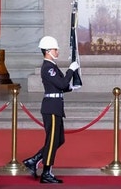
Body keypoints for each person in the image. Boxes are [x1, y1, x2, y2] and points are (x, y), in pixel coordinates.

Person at [23, 35, 80, 184]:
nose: (58, 51)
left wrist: (71, 87)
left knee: (59, 140)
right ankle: (46, 173)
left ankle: (34, 160)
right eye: (55, 49)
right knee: (52, 140)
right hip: (51, 108)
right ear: (48, 51)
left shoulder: (52, 66)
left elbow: (60, 86)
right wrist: (71, 71)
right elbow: (61, 84)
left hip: (56, 106)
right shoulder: (48, 67)